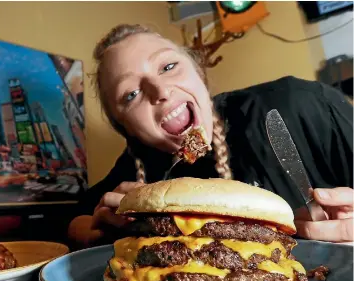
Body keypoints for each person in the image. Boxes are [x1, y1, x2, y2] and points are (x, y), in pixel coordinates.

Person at [68, 24, 353, 246]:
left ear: (199, 74)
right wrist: (92, 231)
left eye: (168, 67)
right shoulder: (139, 166)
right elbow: (69, 218)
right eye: (131, 94)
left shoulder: (299, 105)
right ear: (126, 129)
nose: (161, 91)